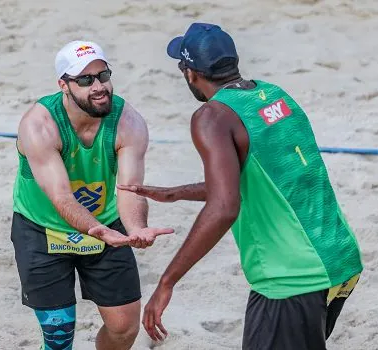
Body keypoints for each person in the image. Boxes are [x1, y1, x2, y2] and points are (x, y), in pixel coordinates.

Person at [118, 23, 364, 349]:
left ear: (189, 73)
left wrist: (167, 282)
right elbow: (265, 178)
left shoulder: (212, 117)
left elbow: (224, 207)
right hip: (340, 259)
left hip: (292, 279)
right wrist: (177, 193)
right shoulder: (274, 95)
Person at [10, 40, 174, 350]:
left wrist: (136, 228)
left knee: (124, 329)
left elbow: (129, 190)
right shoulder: (39, 125)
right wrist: (96, 229)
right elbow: (61, 198)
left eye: (103, 75)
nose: (98, 86)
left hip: (107, 226)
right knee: (59, 337)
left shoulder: (128, 121)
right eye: (85, 80)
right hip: (43, 229)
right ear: (64, 86)